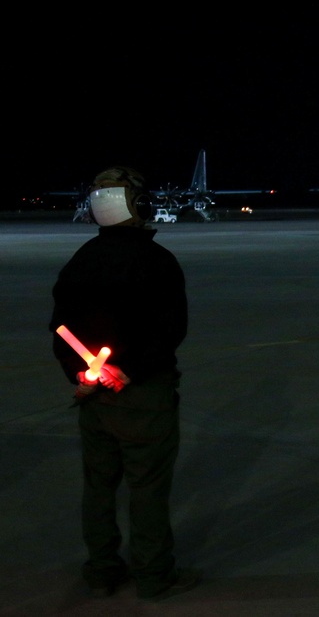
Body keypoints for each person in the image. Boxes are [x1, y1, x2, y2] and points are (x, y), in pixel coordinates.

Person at [49, 166, 200, 600]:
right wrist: (129, 368)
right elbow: (170, 328)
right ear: (136, 205)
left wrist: (79, 372)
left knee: (98, 487)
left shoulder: (81, 260)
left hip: (92, 395)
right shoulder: (157, 261)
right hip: (143, 396)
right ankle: (153, 575)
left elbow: (60, 327)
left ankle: (102, 570)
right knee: (147, 488)